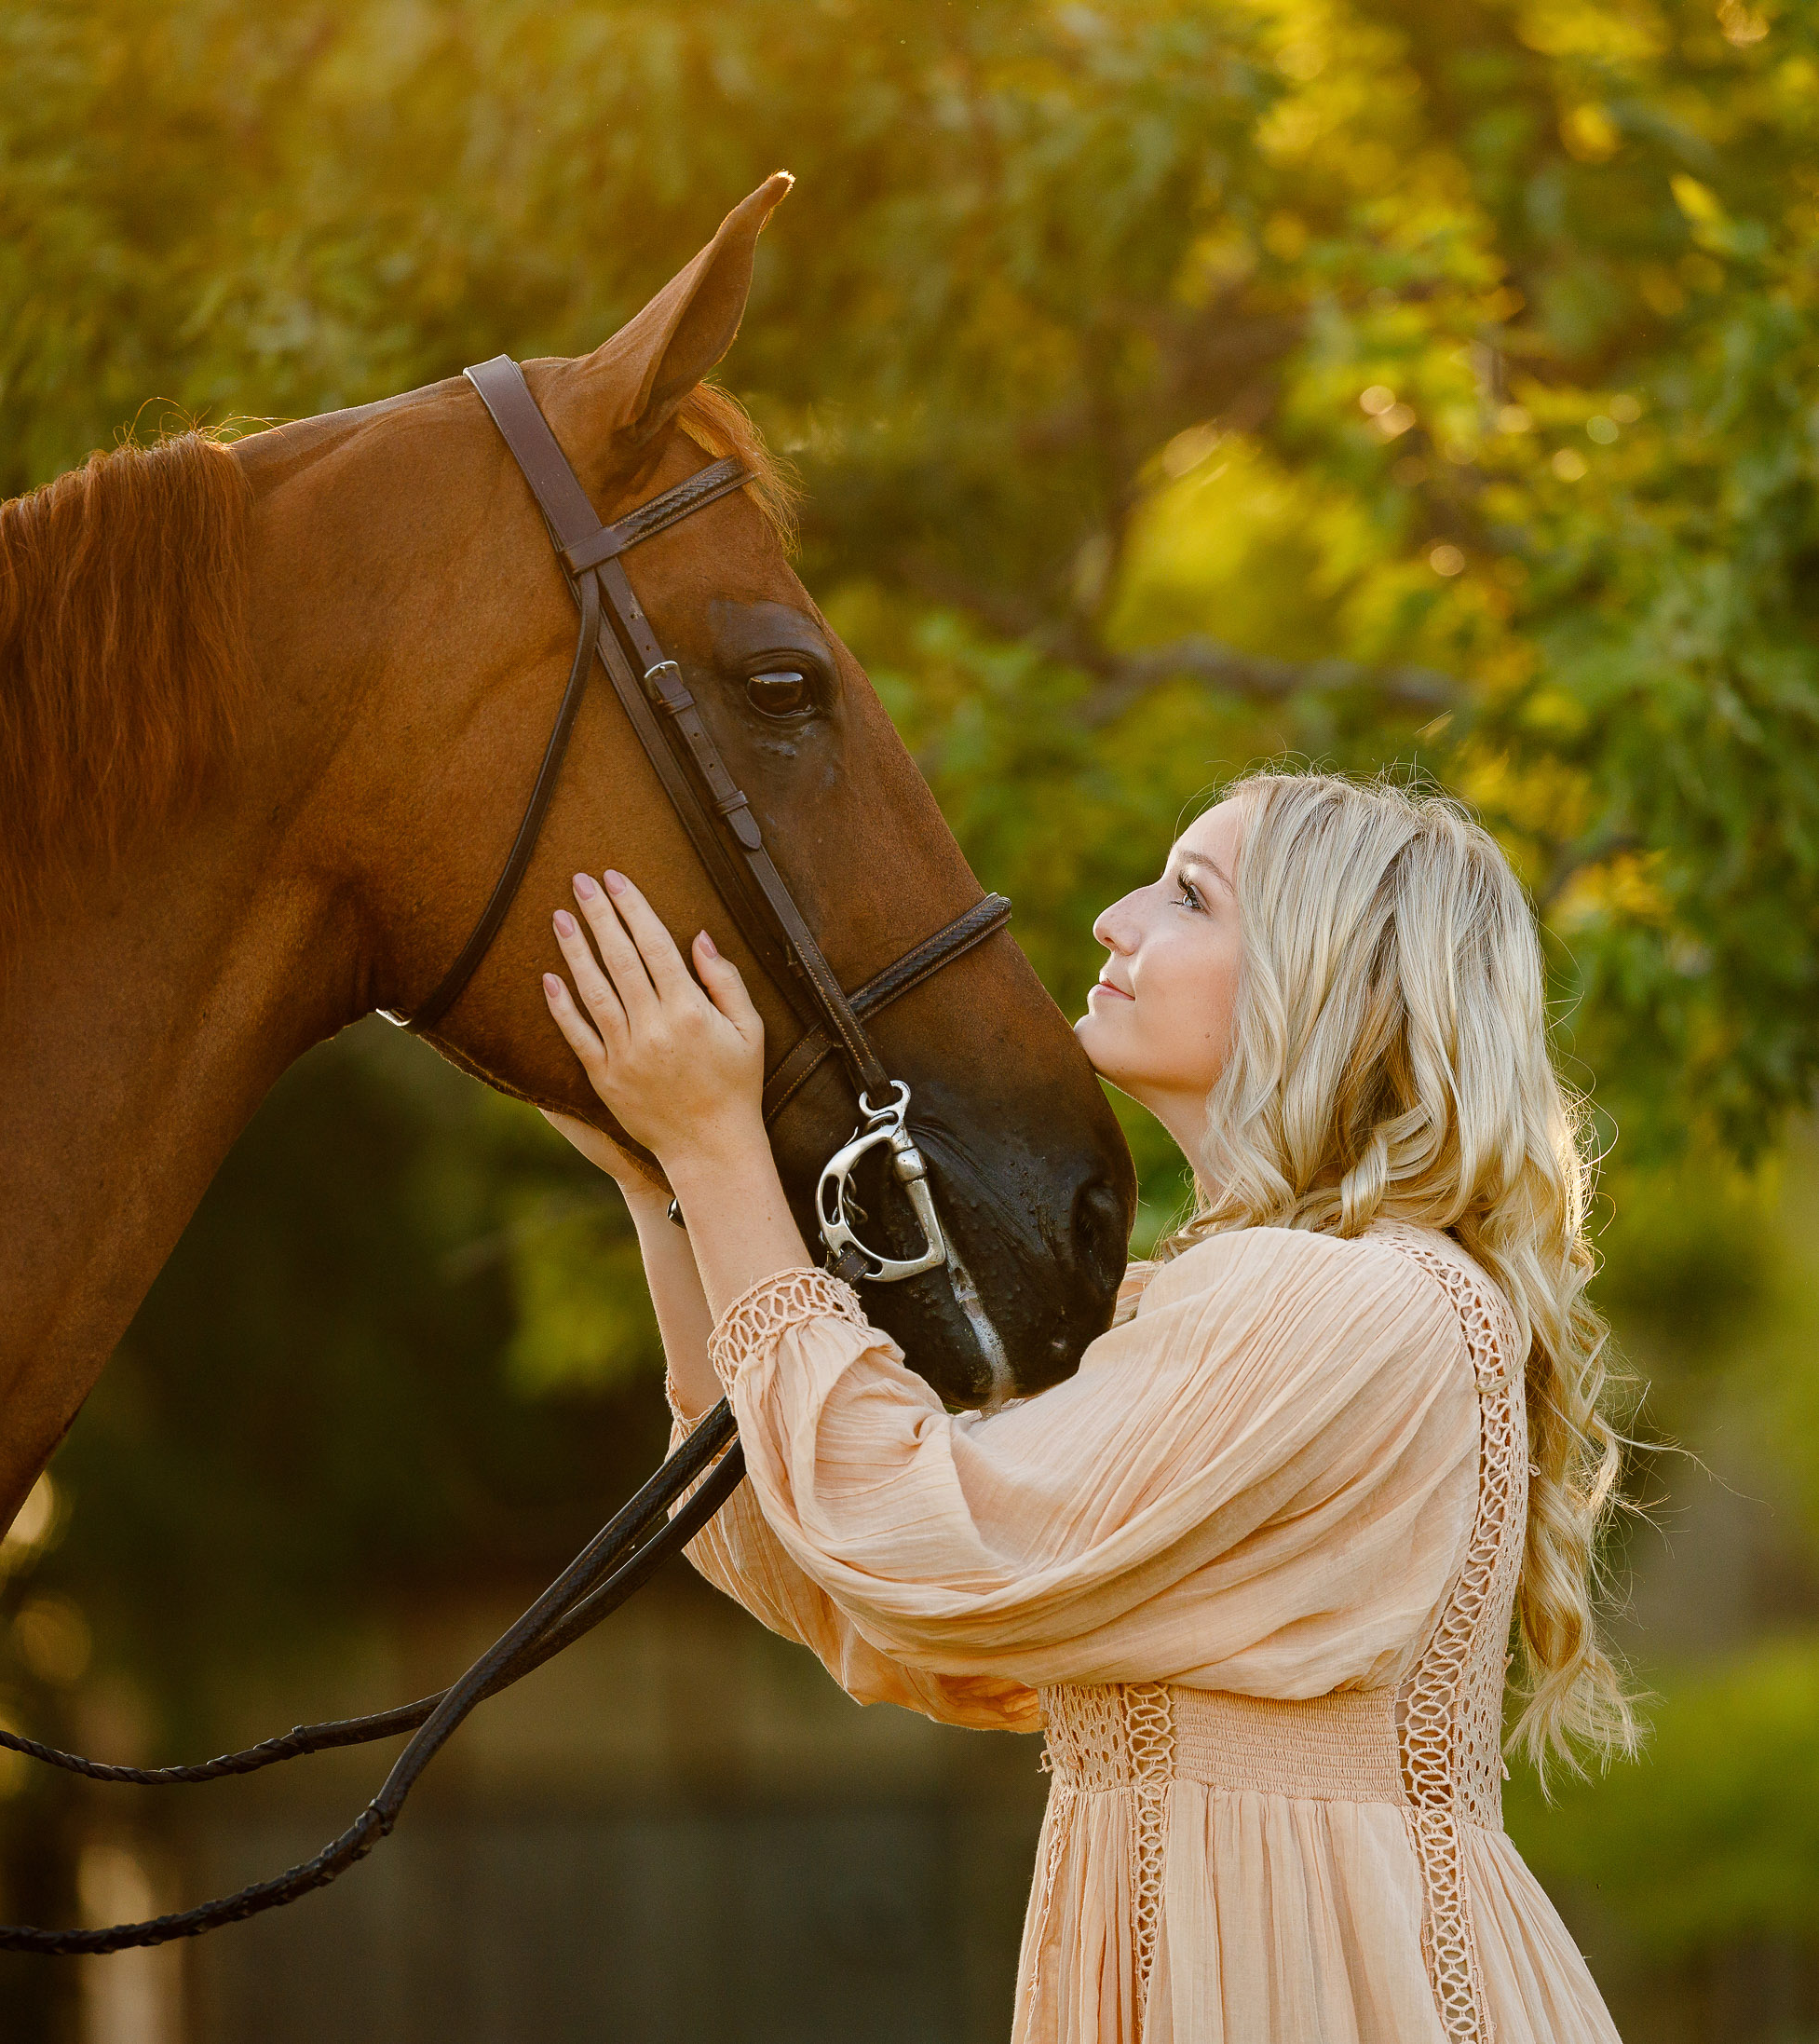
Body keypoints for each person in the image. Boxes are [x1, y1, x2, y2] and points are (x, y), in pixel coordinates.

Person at [539, 768, 1633, 2044]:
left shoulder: (1347, 1301)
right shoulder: (1227, 1307)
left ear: (1328, 977)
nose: (1115, 917)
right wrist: (669, 1184)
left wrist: (721, 1146)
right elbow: (885, 1612)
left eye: (1188, 895)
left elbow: (919, 1549)